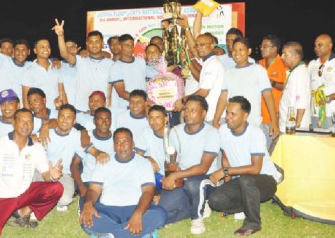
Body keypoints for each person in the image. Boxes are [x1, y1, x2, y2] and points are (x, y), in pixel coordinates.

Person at [0, 108, 64, 238]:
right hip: (1, 198)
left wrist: (52, 176)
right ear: (14, 123)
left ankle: (23, 213)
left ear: (33, 125)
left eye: (29, 122)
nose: (26, 125)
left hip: (23, 194)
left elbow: (45, 175)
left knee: (56, 188)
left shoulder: (36, 148)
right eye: (22, 121)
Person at [209, 96, 279, 236]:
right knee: (215, 201)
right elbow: (226, 158)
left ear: (245, 116)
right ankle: (248, 206)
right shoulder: (223, 130)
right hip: (243, 182)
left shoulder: (255, 133)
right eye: (227, 112)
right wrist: (226, 184)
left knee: (247, 179)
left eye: (233, 114)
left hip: (266, 181)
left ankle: (253, 223)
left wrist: (224, 171)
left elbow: (255, 169)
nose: (228, 117)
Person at [79, 127, 167, 237]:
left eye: (125, 141)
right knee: (87, 217)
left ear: (133, 143)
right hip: (108, 210)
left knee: (159, 215)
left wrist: (138, 214)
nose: (121, 146)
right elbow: (93, 190)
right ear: (114, 146)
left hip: (135, 207)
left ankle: (111, 234)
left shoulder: (144, 163)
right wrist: (88, 204)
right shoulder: (103, 161)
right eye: (117, 142)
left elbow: (148, 192)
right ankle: (133, 233)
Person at [159, 95, 220, 235]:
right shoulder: (175, 131)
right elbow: (170, 159)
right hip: (182, 177)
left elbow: (203, 167)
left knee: (193, 184)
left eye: (193, 110)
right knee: (164, 210)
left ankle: (197, 218)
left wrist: (175, 175)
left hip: (206, 178)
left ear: (203, 113)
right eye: (186, 109)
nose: (187, 113)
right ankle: (197, 203)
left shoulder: (212, 133)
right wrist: (170, 172)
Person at [45, 104, 109, 211]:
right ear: (57, 118)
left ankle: (51, 199)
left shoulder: (77, 136)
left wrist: (98, 153)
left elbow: (91, 149)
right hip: (44, 171)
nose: (65, 120)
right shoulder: (47, 133)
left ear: (74, 121)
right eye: (62, 116)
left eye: (69, 117)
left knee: (65, 199)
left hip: (64, 175)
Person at [213, 37, 280, 140]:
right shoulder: (228, 72)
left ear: (249, 51)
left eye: (240, 49)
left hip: (252, 124)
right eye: (234, 49)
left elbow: (268, 97)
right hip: (232, 124)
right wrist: (215, 120)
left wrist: (274, 122)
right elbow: (223, 98)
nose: (236, 52)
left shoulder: (258, 70)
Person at [53, 19, 114, 111]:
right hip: (81, 109)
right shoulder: (80, 60)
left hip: (102, 110)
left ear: (102, 43)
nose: (94, 44)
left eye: (97, 41)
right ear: (87, 44)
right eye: (91, 42)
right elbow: (64, 54)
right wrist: (60, 35)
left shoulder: (111, 64)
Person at [174, 33, 225, 123]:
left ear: (212, 46)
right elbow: (200, 80)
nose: (199, 48)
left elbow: (203, 92)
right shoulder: (208, 62)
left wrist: (183, 101)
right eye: (197, 45)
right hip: (211, 115)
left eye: (202, 45)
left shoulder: (212, 64)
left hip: (214, 116)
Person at [72, 107, 114, 205]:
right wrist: (82, 187)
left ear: (111, 120)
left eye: (107, 118)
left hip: (111, 180)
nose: (104, 122)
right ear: (94, 121)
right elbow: (74, 165)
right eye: (100, 119)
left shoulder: (117, 137)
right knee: (89, 208)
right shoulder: (87, 137)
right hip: (89, 180)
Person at [21, 38, 67, 110]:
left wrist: (66, 110)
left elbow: (62, 92)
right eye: (42, 47)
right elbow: (26, 99)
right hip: (38, 114)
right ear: (35, 50)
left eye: (48, 47)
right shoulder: (28, 71)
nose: (46, 49)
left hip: (56, 112)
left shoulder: (56, 67)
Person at [259, 35, 287, 149]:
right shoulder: (258, 64)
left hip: (274, 118)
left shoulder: (284, 64)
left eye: (265, 46)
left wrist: (272, 82)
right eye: (261, 46)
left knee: (271, 155)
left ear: (275, 48)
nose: (261, 48)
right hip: (258, 117)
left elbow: (287, 87)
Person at [279, 41, 311, 132]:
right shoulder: (294, 72)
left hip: (294, 128)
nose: (282, 57)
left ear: (295, 56)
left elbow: (301, 102)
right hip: (288, 125)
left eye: (285, 54)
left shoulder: (300, 73)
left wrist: (296, 127)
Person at [109, 34, 147, 109]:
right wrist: (140, 101)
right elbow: (121, 93)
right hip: (126, 107)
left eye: (132, 45)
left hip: (143, 107)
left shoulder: (141, 61)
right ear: (120, 47)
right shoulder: (116, 67)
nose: (130, 48)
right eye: (127, 45)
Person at [308, 34, 335, 128]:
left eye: (320, 45)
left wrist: (327, 99)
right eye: (315, 45)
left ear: (330, 46)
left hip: (331, 113)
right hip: (314, 113)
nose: (316, 48)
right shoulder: (312, 64)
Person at [60, 40, 79, 106]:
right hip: (66, 107)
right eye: (66, 47)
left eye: (72, 47)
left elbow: (105, 55)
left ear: (77, 48)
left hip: (83, 108)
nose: (69, 49)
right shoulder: (58, 65)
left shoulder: (84, 61)